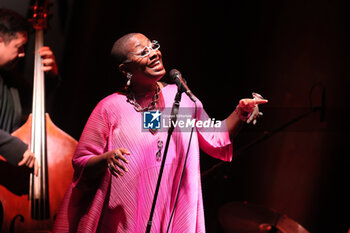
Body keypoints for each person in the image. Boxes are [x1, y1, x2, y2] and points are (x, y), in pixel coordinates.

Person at [52, 32, 268, 233]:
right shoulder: (111, 108)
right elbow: (81, 162)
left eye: (153, 46)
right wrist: (105, 159)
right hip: (125, 214)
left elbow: (216, 136)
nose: (154, 53)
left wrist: (240, 113)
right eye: (143, 52)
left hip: (172, 209)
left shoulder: (180, 99)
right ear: (125, 69)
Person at [0, 8, 58, 175]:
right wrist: (15, 147)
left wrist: (51, 75)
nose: (22, 54)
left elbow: (35, 99)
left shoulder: (9, 78)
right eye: (19, 47)